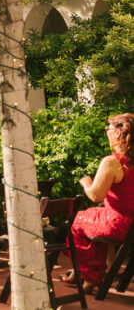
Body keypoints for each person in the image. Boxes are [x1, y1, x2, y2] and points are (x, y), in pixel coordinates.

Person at [65, 114, 134, 293]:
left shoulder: (113, 162)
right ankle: (94, 269)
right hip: (130, 223)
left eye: (108, 129)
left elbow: (96, 195)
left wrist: (86, 182)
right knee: (92, 216)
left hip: (120, 224)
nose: (106, 132)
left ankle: (91, 277)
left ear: (118, 133)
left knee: (74, 221)